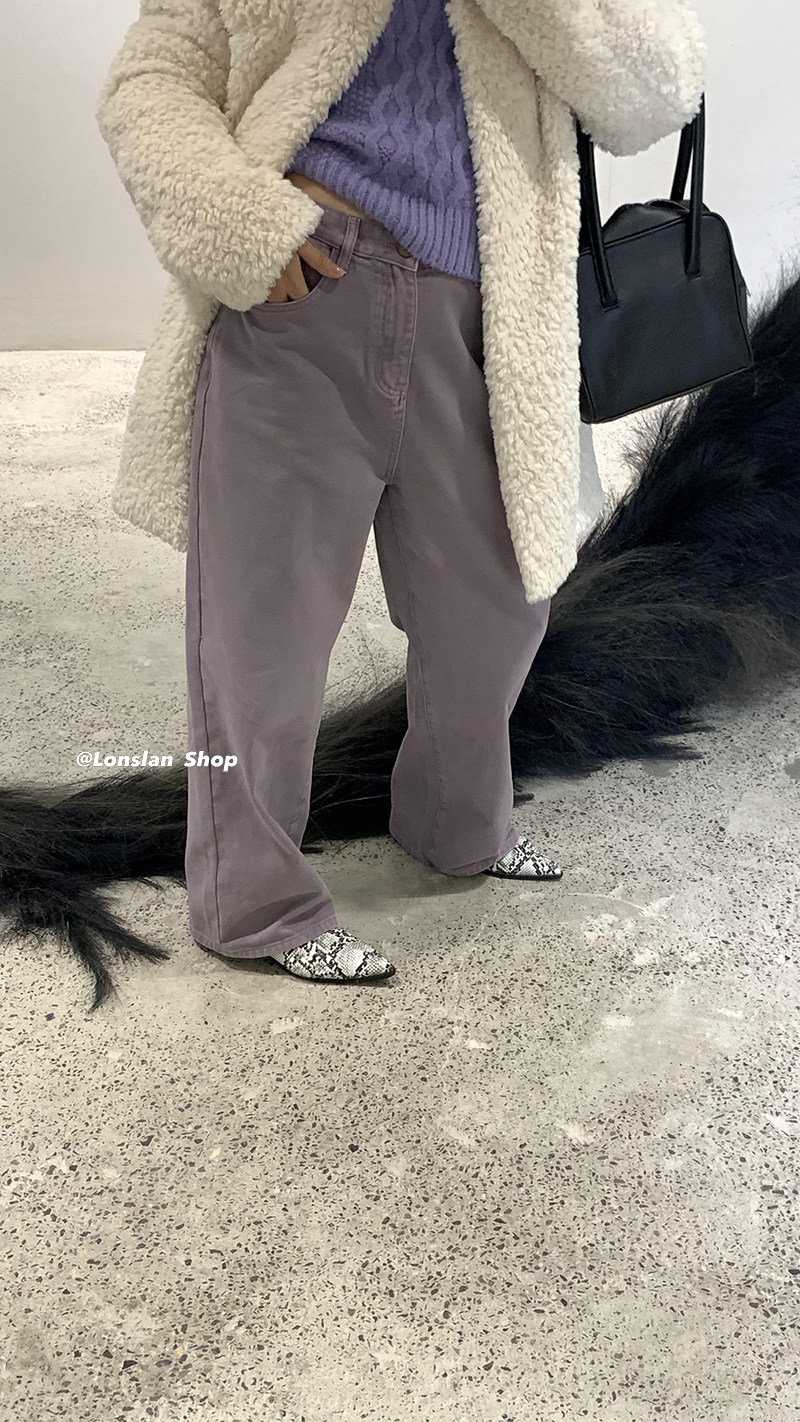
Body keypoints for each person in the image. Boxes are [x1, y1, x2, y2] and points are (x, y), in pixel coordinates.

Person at [95, 0, 706, 983]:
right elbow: (152, 79)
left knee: (496, 611)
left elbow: (653, 90)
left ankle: (453, 824)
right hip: (306, 292)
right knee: (264, 636)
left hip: (490, 318)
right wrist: (244, 228)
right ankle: (254, 903)